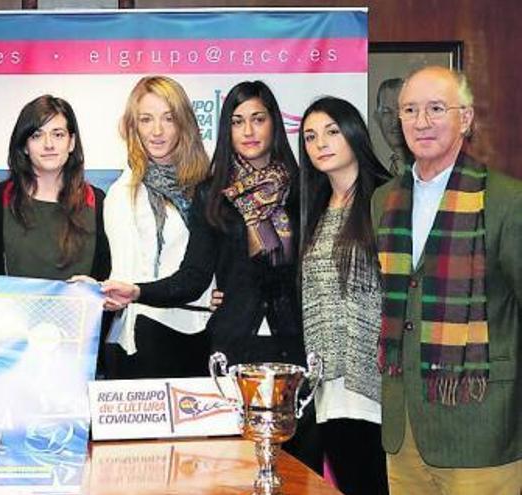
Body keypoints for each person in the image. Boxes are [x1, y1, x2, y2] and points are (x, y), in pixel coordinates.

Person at [102, 80, 320, 471]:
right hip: (233, 350)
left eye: (258, 119)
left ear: (274, 124)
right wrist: (136, 291)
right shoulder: (213, 193)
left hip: (296, 347)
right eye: (237, 122)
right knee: (232, 469)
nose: (249, 131)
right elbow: (194, 276)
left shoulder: (306, 188)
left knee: (298, 471)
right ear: (226, 129)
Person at [372, 66, 522, 495]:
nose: (421, 122)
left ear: (466, 118)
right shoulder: (383, 201)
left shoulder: (508, 202)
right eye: (410, 110)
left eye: (436, 108)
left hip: (484, 427)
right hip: (404, 434)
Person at [299, 96, 391, 495]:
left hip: (375, 381)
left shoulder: (385, 200)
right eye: (310, 136)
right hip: (328, 381)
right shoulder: (314, 205)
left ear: (354, 133)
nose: (320, 143)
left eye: (331, 132)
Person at [102, 76, 212, 379]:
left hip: (203, 332)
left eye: (168, 118)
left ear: (184, 123)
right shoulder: (123, 192)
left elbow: (208, 265)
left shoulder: (206, 186)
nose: (157, 131)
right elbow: (122, 275)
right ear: (132, 126)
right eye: (146, 119)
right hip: (146, 333)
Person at [0, 95, 109, 281]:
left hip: (82, 310)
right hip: (10, 310)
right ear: (25, 146)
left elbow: (107, 283)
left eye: (58, 134)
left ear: (72, 142)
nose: (49, 144)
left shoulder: (97, 202)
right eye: (37, 135)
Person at [374, 78, 413, 175]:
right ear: (377, 117)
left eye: (403, 111)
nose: (395, 121)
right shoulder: (368, 164)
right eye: (387, 112)